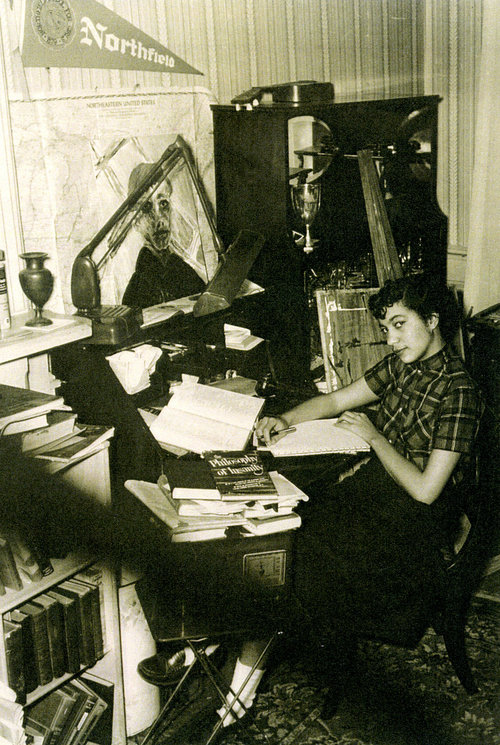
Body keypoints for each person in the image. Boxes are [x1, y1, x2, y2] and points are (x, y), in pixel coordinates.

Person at [152, 272, 483, 742]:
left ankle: (239, 673)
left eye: (399, 325)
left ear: (432, 321)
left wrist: (373, 437)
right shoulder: (404, 364)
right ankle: (218, 642)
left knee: (289, 554)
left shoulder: (459, 392)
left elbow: (427, 490)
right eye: (386, 328)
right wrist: (284, 418)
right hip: (378, 497)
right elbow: (334, 400)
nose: (390, 339)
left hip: (413, 530)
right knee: (276, 531)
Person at [122, 164, 205, 308]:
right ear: (136, 220)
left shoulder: (184, 272)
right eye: (147, 208)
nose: (160, 219)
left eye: (164, 204)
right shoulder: (138, 289)